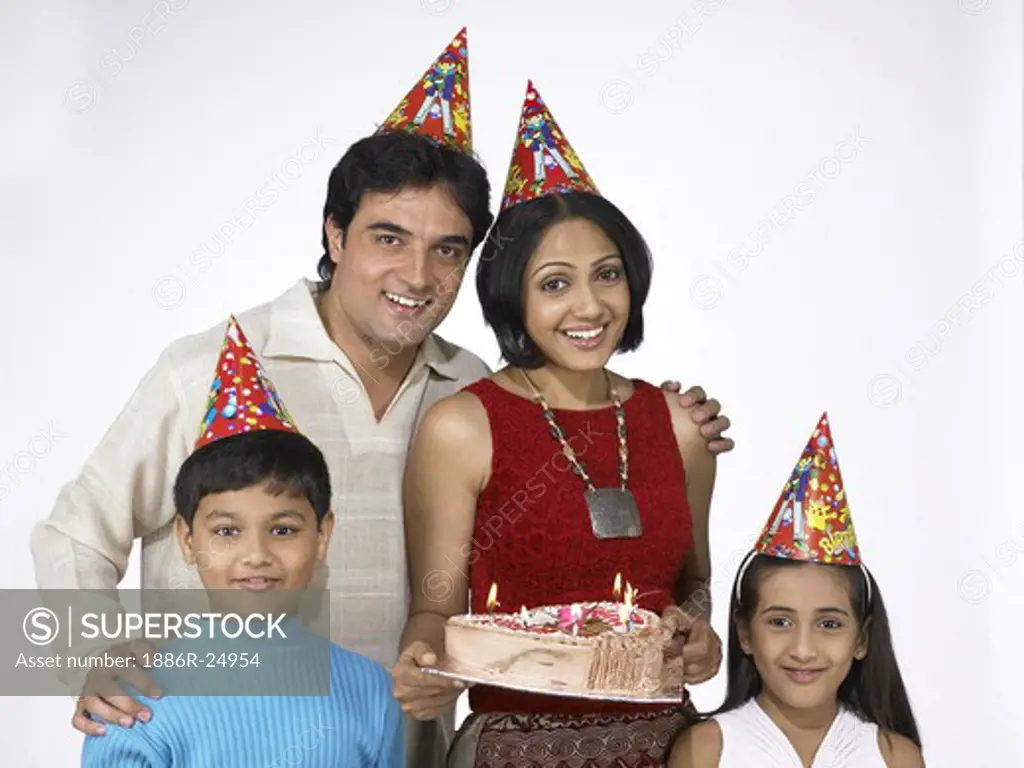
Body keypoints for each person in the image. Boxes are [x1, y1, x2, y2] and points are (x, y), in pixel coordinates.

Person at [30, 30, 733, 767]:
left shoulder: (470, 393)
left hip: (404, 742)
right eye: (388, 238)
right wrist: (95, 653)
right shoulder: (209, 365)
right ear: (334, 234)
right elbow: (74, 532)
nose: (419, 274)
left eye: (448, 249)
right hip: (222, 735)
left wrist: (663, 421)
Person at [393, 81, 723, 766]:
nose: (589, 305)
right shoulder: (465, 427)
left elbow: (693, 585)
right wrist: (422, 659)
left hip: (670, 747)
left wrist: (699, 635)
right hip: (515, 750)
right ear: (512, 292)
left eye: (608, 275)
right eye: (554, 283)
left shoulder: (679, 426)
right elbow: (435, 603)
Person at [80, 317, 404, 767]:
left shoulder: (370, 690)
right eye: (227, 531)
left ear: (323, 534)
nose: (257, 555)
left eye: (284, 529)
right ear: (187, 540)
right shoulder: (131, 696)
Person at [669, 413, 924, 767]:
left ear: (862, 638)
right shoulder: (707, 750)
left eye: (830, 624)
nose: (803, 650)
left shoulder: (895, 757)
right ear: (745, 632)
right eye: (780, 622)